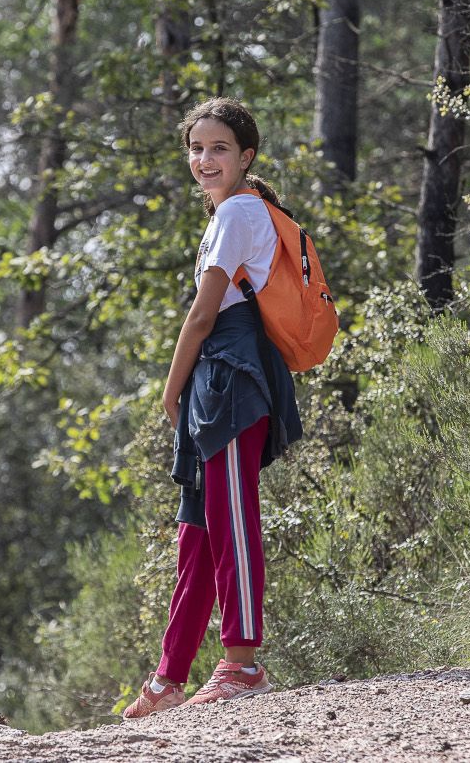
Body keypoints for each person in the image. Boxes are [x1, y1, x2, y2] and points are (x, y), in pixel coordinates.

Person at [122, 98, 303, 719]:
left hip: (228, 377)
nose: (205, 159)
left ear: (246, 156)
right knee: (197, 529)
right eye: (196, 148)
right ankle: (170, 676)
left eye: (219, 148)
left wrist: (169, 389)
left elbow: (203, 315)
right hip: (216, 378)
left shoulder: (240, 213)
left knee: (230, 518)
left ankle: (244, 663)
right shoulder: (229, 214)